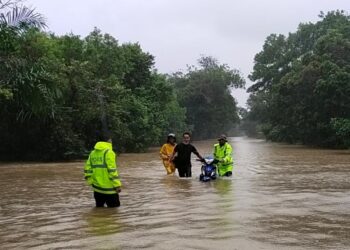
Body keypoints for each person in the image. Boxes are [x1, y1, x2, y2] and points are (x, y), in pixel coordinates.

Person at [84, 132, 122, 207]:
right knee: (114, 214)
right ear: (109, 141)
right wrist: (117, 185)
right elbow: (112, 171)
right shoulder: (109, 153)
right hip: (110, 191)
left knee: (99, 211)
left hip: (97, 190)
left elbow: (87, 170)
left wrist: (91, 183)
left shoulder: (92, 153)